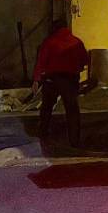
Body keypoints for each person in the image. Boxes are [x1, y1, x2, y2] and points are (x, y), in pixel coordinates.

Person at [33, 18, 88, 149]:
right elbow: (84, 60)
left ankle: (43, 134)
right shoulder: (77, 42)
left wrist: (36, 79)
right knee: (72, 110)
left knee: (47, 107)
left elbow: (41, 62)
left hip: (52, 79)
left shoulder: (49, 42)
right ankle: (74, 141)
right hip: (70, 79)